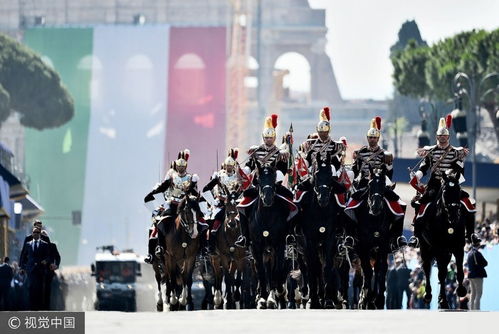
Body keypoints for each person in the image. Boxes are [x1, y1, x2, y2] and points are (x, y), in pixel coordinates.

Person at [409, 114, 477, 247]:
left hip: (450, 184)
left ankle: (471, 234)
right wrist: (416, 176)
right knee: (422, 203)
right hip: (434, 184)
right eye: (440, 136)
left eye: (444, 136)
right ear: (437, 137)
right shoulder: (431, 151)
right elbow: (424, 167)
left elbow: (460, 170)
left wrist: (452, 177)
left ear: (448, 137)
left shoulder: (456, 152)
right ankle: (416, 236)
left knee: (467, 202)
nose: (442, 138)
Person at [235, 114, 297, 248]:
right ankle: (244, 236)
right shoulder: (256, 151)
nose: (268, 140)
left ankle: (290, 234)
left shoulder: (280, 153)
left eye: (271, 138)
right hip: (259, 186)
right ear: (263, 137)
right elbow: (249, 166)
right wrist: (243, 171)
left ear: (274, 138)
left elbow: (283, 169)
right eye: (266, 138)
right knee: (242, 205)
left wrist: (278, 176)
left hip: (275, 185)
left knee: (292, 202)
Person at [348, 116, 406, 250]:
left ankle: (397, 237)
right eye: (370, 137)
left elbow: (389, 174)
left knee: (400, 205)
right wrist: (353, 163)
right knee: (348, 207)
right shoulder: (360, 152)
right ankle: (349, 236)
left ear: (378, 139)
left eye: (374, 138)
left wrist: (389, 163)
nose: (372, 140)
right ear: (367, 138)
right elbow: (355, 172)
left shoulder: (384, 154)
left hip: (380, 185)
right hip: (364, 185)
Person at [143, 149, 207, 263]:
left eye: (183, 167)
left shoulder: (191, 178)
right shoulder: (171, 177)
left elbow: (194, 192)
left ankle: (203, 250)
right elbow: (162, 188)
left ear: (186, 166)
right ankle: (159, 247)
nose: (181, 168)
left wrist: (202, 200)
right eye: (179, 166)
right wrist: (152, 193)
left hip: (185, 204)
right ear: (176, 166)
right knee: (160, 222)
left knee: (202, 222)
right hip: (172, 204)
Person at [201, 148, 242, 254]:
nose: (229, 167)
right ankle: (211, 247)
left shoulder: (238, 177)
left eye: (231, 165)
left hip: (234, 205)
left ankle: (246, 245)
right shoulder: (219, 176)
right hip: (221, 204)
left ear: (234, 166)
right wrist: (213, 201)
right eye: (227, 165)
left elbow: (241, 189)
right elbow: (206, 189)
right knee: (213, 223)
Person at [19, 227, 51, 310]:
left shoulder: (44, 244)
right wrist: (22, 267)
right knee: (31, 288)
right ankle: (31, 306)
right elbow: (23, 256)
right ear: (32, 234)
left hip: (40, 270)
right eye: (34, 232)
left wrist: (45, 261)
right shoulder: (28, 244)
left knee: (39, 288)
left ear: (39, 234)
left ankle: (38, 306)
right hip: (30, 270)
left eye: (37, 232)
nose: (36, 234)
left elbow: (48, 256)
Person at [467, 239, 487, 310]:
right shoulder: (477, 253)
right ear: (478, 244)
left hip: (471, 275)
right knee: (479, 293)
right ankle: (477, 310)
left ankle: (471, 309)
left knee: (473, 293)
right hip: (477, 275)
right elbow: (485, 263)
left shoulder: (469, 253)